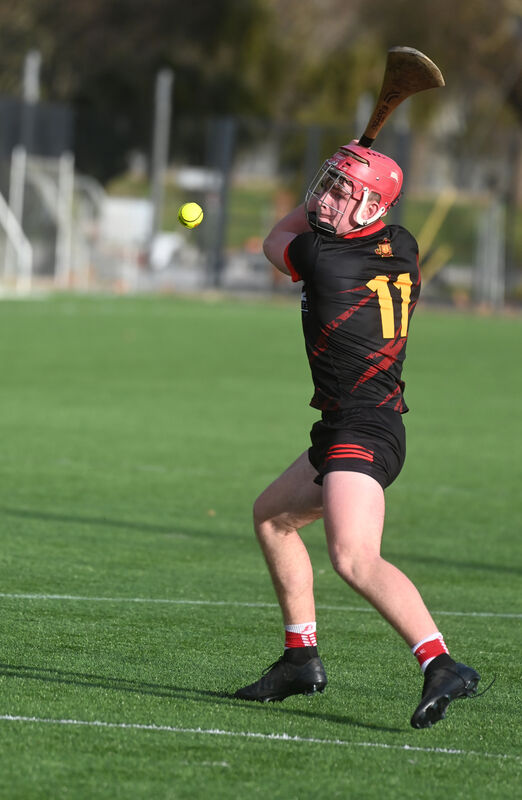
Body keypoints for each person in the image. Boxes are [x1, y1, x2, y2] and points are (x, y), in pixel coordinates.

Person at [233, 140, 481, 728]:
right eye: (327, 184)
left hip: (365, 426)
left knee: (352, 556)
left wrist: (318, 195)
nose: (325, 198)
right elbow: (342, 214)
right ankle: (299, 658)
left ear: (372, 208)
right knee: (272, 517)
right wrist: (353, 173)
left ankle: (442, 663)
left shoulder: (322, 256)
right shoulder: (404, 244)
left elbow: (276, 238)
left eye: (341, 190)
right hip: (350, 421)